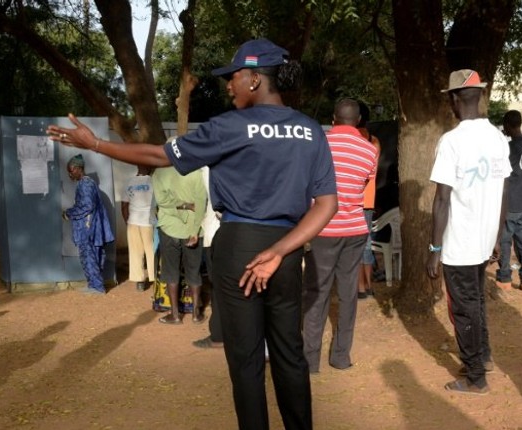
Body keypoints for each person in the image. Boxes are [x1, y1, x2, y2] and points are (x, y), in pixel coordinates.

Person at [47, 38, 337, 430]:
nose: (228, 86)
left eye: (233, 78)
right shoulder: (310, 130)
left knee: (247, 359)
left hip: (239, 247)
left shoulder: (230, 126)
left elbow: (158, 156)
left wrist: (95, 143)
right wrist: (282, 250)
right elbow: (326, 205)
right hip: (287, 252)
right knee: (290, 354)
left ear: (254, 79)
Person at [425, 70, 511, 395]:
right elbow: (504, 192)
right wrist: (499, 236)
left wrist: (434, 249)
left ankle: (475, 377)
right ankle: (483, 357)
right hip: (485, 239)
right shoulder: (497, 138)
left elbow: (442, 199)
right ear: (480, 96)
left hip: (459, 244)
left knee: (464, 308)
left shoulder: (451, 141)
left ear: (454, 99)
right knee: (476, 302)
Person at [302, 98, 378, 373]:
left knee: (316, 292)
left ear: (333, 118)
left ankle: (310, 360)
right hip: (355, 229)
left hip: (322, 228)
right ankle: (341, 356)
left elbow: (307, 184)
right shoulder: (369, 151)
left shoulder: (317, 145)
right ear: (358, 121)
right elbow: (363, 183)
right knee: (347, 293)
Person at [152, 165, 207, 325]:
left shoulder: (159, 172)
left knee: (170, 271)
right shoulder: (196, 172)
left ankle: (175, 315)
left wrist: (182, 205)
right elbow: (201, 202)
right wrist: (195, 230)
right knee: (194, 271)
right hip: (193, 229)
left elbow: (161, 200)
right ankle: (196, 314)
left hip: (169, 227)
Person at [495, 110, 522, 292]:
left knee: (504, 241)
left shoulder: (510, 148)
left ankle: (504, 279)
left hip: (509, 203)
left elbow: (501, 174)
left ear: (507, 125)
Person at [62, 154, 115, 295]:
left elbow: (87, 206)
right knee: (92, 255)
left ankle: (97, 286)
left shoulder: (85, 184)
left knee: (89, 256)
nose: (70, 173)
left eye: (71, 170)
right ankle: (94, 284)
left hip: (88, 228)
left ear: (78, 168)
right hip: (91, 227)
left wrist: (69, 213)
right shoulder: (86, 183)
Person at [193, 166, 225, 349]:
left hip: (218, 234)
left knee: (219, 288)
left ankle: (219, 335)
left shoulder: (208, 168)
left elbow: (216, 204)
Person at [356, 101, 381, 299]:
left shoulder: (354, 140)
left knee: (357, 244)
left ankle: (361, 287)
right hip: (369, 199)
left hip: (354, 198)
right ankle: (367, 285)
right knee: (367, 242)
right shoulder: (374, 141)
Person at [121, 165, 156, 292]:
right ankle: (154, 278)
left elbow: (124, 205)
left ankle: (139, 281)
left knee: (135, 253)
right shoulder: (153, 182)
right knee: (152, 252)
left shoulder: (128, 182)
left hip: (133, 223)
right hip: (148, 222)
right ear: (149, 168)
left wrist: (127, 221)